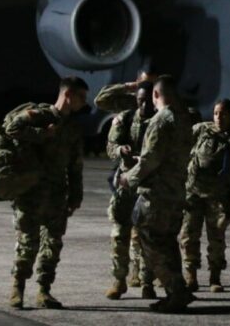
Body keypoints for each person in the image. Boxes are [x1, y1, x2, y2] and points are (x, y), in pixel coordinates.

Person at [5, 76, 88, 309]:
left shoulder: (72, 128)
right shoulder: (40, 115)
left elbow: (75, 166)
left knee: (52, 244)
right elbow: (11, 128)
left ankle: (43, 290)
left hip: (57, 194)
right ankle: (17, 288)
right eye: (81, 97)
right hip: (31, 191)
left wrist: (75, 195)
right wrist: (42, 134)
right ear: (68, 95)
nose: (84, 103)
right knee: (27, 242)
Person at [119, 75, 195, 313]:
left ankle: (176, 290)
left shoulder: (161, 120)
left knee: (151, 243)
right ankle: (176, 291)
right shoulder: (184, 119)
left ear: (155, 95)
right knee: (168, 242)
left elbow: (151, 159)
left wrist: (127, 178)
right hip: (176, 191)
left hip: (157, 195)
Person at [181, 99, 230, 293]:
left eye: (223, 114)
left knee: (216, 238)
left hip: (219, 196)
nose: (219, 118)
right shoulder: (203, 130)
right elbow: (182, 138)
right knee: (189, 236)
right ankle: (191, 276)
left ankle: (215, 277)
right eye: (215, 113)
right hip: (193, 193)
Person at [104, 81, 157, 300]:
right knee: (119, 233)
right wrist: (120, 150)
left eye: (147, 100)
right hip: (126, 183)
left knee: (148, 235)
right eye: (139, 100)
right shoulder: (125, 119)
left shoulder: (160, 122)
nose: (143, 105)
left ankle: (147, 281)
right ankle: (119, 279)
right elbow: (110, 147)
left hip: (148, 183)